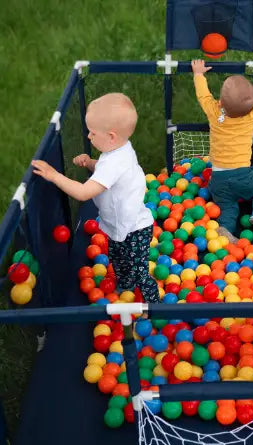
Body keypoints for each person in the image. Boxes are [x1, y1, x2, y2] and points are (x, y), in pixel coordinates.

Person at [31, 92, 160, 303]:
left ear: (111, 136)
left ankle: (155, 306)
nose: (89, 137)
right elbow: (106, 171)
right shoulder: (118, 149)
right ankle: (125, 287)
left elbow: (83, 193)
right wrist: (91, 162)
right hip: (118, 226)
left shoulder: (114, 162)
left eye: (92, 133)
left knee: (140, 273)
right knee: (118, 261)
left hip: (135, 229)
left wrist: (53, 175)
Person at [191, 58, 253, 243]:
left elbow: (203, 96)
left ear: (221, 102)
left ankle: (226, 229)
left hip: (218, 180)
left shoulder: (215, 113)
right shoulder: (251, 115)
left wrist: (198, 74)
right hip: (243, 177)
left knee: (228, 208)